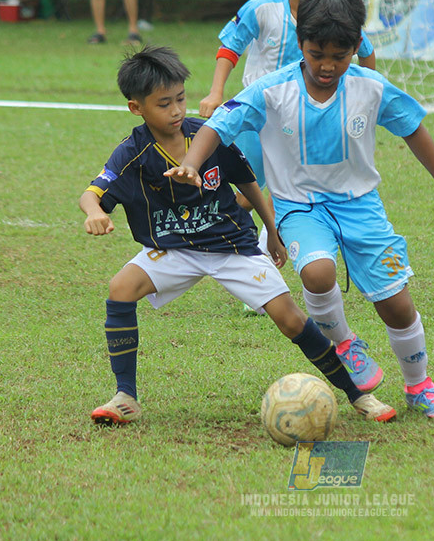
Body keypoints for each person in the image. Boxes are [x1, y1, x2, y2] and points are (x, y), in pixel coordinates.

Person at [167, 0, 434, 420]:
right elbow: (217, 126)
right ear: (301, 43)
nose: (328, 65)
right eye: (317, 55)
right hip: (299, 206)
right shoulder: (272, 90)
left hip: (360, 205)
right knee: (317, 272)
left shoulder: (370, 87)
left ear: (356, 48)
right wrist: (191, 163)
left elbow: (413, 128)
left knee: (396, 303)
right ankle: (345, 343)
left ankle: (420, 386)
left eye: (340, 56)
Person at [80, 45, 395, 425]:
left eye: (180, 98)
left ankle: (358, 394)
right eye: (164, 104)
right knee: (120, 288)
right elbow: (91, 193)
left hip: (231, 246)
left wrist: (272, 232)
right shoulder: (133, 152)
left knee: (291, 319)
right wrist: (95, 212)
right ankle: (125, 397)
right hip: (175, 248)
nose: (177, 110)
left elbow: (247, 182)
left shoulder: (207, 136)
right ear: (136, 108)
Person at [200, 0, 376, 289]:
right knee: (247, 190)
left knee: (292, 190)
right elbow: (230, 47)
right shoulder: (261, 8)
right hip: (258, 116)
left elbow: (365, 51)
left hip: (306, 120)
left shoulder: (337, 15)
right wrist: (216, 92)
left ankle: (262, 264)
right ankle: (223, 240)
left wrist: (367, 97)